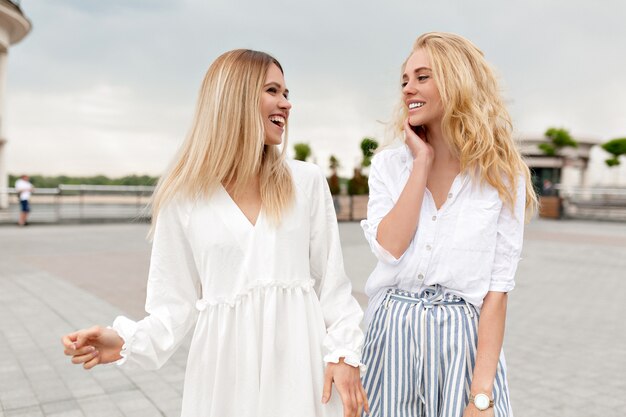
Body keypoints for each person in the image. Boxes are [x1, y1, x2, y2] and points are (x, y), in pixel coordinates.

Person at [61, 49, 368, 417]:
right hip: (224, 380)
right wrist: (125, 341)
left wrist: (344, 354)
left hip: (300, 375)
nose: (286, 104)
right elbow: (173, 306)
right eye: (273, 90)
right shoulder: (183, 198)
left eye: (286, 93)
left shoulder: (306, 182)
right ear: (234, 98)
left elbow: (333, 289)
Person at [359, 32, 537, 417]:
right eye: (405, 80)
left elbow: (497, 291)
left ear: (456, 81)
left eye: (423, 77)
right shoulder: (391, 166)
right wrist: (420, 163)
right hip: (392, 337)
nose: (409, 89)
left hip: (464, 345)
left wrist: (481, 395)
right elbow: (390, 246)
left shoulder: (501, 176)